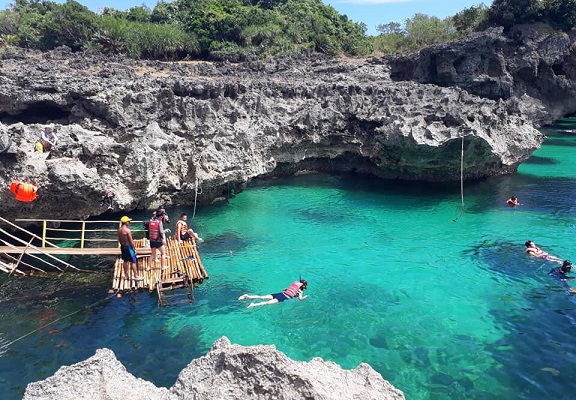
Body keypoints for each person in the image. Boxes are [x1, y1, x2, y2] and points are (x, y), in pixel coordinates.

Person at [238, 279, 308, 309]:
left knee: (261, 297)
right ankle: (253, 305)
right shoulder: (300, 291)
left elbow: (284, 289)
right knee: (267, 303)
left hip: (279, 294)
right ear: (303, 286)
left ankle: (247, 297)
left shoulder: (294, 286)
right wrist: (305, 297)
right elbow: (300, 299)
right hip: (284, 297)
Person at [117, 216, 143, 284]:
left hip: (123, 247)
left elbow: (119, 239)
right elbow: (131, 241)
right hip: (128, 247)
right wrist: (134, 248)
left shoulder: (119, 230)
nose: (129, 222)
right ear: (126, 222)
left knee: (125, 261)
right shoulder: (127, 230)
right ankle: (136, 276)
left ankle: (126, 275)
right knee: (133, 261)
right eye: (128, 221)